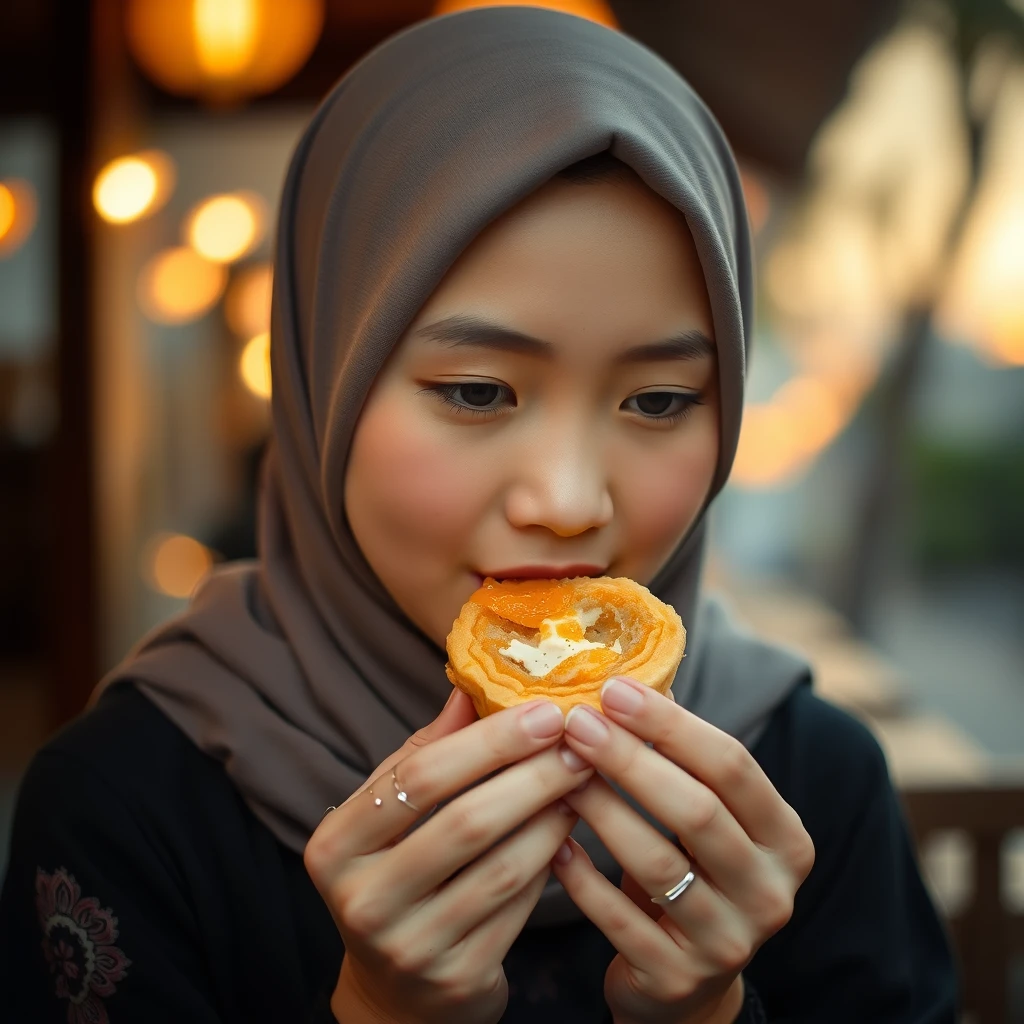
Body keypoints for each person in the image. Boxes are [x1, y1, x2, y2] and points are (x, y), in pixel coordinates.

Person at [0, 7, 957, 1023]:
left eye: (659, 400)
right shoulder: (124, 806)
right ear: (326, 380)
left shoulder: (807, 784)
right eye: (476, 391)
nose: (567, 501)